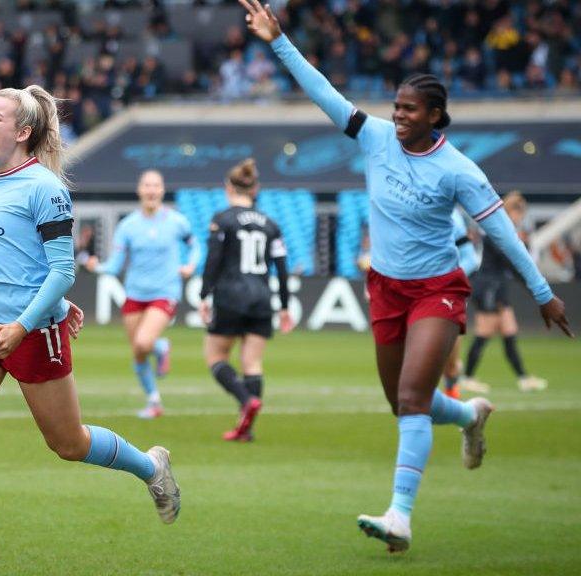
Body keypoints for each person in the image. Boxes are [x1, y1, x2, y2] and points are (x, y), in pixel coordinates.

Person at [237, 0, 571, 554]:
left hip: (438, 289)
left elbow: (504, 236)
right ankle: (468, 415)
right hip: (386, 287)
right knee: (402, 401)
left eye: (410, 110)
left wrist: (542, 293)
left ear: (435, 116)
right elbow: (325, 94)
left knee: (414, 398)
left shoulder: (460, 170)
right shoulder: (374, 140)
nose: (398, 116)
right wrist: (278, 40)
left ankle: (400, 515)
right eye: (396, 107)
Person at [0, 85, 180, 576]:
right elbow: (15, 262)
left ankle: (151, 466)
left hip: (31, 332)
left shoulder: (46, 188)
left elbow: (62, 270)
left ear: (22, 132)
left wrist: (29, 322)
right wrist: (56, 304)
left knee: (68, 443)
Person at [84, 169, 201, 418]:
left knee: (143, 342)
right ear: (139, 190)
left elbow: (196, 246)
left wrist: (191, 265)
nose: (151, 190)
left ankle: (159, 346)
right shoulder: (128, 226)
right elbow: (116, 265)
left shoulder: (176, 221)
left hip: (165, 291)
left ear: (162, 190)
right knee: (138, 353)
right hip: (135, 293)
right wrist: (98, 267)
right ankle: (154, 401)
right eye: (146, 185)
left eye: (155, 186)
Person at [199, 158, 294, 442]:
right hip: (262, 298)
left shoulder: (222, 219)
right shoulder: (271, 224)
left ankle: (245, 400)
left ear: (228, 187)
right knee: (252, 363)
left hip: (230, 295)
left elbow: (213, 261)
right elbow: (282, 267)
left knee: (215, 356)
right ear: (255, 189)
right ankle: (247, 429)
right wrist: (286, 305)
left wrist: (204, 295)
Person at [461, 192, 548, 393]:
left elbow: (514, 262)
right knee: (484, 332)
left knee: (509, 331)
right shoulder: (496, 232)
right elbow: (512, 262)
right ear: (508, 211)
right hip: (488, 288)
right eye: (517, 212)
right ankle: (467, 377)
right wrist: (534, 286)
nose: (519, 217)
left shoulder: (507, 233)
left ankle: (523, 377)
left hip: (498, 287)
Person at [441, 210, 481, 399]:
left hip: (449, 289)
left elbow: (471, 259)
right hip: (420, 289)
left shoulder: (453, 218)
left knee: (450, 353)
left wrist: (448, 280)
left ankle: (451, 384)